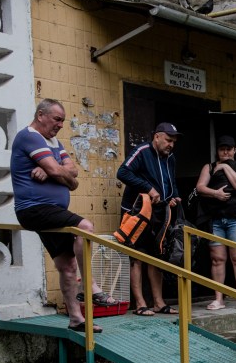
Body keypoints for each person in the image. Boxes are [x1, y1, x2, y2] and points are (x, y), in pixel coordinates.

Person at [12, 98, 119, 333]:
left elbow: (74, 176)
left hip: (53, 211)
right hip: (34, 209)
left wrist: (52, 171)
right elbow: (60, 170)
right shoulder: (29, 136)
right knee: (85, 227)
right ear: (41, 115)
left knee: (66, 264)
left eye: (62, 120)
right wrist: (56, 170)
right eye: (56, 119)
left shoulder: (53, 142)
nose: (60, 125)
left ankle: (75, 319)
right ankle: (89, 286)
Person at [116, 122, 182, 316]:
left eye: (174, 142)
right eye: (168, 140)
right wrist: (148, 188)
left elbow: (172, 182)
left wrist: (174, 196)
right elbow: (122, 172)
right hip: (137, 212)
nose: (171, 144)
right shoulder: (142, 151)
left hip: (160, 214)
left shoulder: (171, 158)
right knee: (137, 257)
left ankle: (159, 303)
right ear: (157, 137)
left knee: (157, 256)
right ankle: (140, 304)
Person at [192, 135, 236, 311]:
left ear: (235, 150)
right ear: (217, 150)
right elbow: (200, 188)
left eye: (229, 148)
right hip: (215, 220)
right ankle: (218, 299)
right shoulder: (209, 167)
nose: (225, 151)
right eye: (222, 149)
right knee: (217, 259)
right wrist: (215, 194)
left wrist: (225, 166)